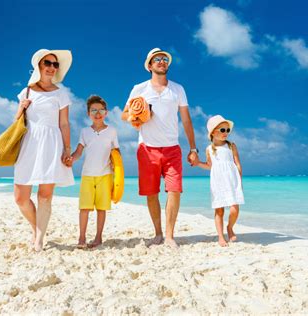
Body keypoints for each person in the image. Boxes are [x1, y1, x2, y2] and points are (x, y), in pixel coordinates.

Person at [122, 48, 199, 248]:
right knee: (151, 193)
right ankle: (158, 234)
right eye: (157, 59)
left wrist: (193, 148)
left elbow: (186, 120)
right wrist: (140, 112)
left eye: (164, 59)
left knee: (174, 190)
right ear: (149, 65)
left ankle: (170, 236)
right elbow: (124, 115)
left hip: (172, 148)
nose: (161, 61)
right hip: (147, 148)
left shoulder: (178, 89)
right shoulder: (139, 88)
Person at [13, 49, 74, 252]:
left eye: (55, 64)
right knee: (20, 197)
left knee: (45, 196)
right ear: (39, 65)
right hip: (29, 143)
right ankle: (36, 228)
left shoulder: (61, 93)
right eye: (47, 63)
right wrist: (21, 108)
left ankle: (39, 239)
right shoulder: (27, 91)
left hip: (52, 144)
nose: (51, 67)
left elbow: (64, 124)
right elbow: (17, 122)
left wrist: (67, 150)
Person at [67, 95, 119, 249]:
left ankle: (98, 238)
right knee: (84, 208)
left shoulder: (112, 131)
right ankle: (82, 238)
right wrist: (71, 159)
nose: (97, 113)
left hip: (105, 175)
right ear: (88, 114)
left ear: (106, 113)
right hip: (88, 175)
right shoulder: (84, 132)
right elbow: (78, 152)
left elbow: (116, 153)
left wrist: (118, 175)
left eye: (101, 110)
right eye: (93, 110)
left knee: (101, 208)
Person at [197, 115, 244, 247]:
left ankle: (230, 227)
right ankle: (220, 236)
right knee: (219, 211)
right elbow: (209, 166)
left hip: (232, 181)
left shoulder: (231, 146)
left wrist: (240, 181)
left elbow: (238, 164)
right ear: (213, 132)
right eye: (222, 130)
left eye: (227, 130)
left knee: (235, 208)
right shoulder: (209, 149)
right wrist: (198, 163)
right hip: (218, 182)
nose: (226, 133)